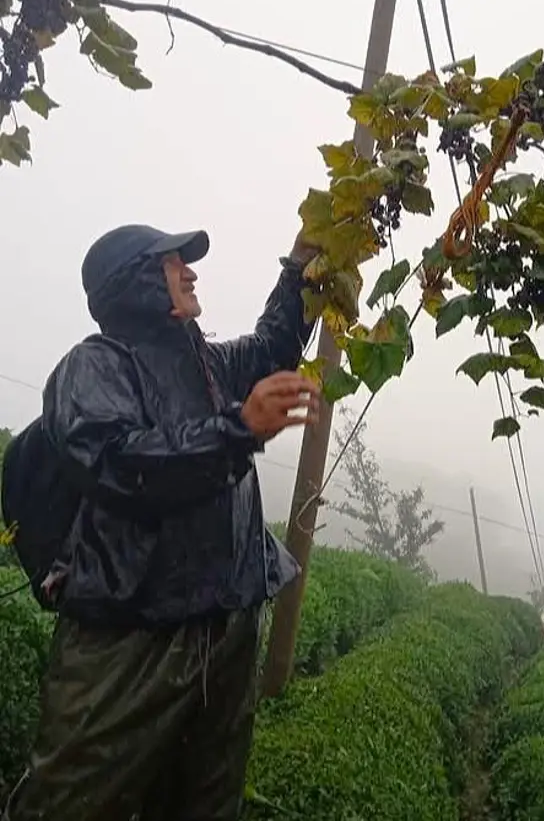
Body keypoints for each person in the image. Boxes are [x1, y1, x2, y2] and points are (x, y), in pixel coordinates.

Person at [4, 224, 321, 821]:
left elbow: (272, 347)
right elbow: (119, 463)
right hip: (133, 635)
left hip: (225, 624)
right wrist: (236, 431)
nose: (191, 272)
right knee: (73, 799)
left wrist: (299, 269)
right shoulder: (95, 367)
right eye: (175, 263)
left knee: (204, 796)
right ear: (137, 283)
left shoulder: (207, 364)